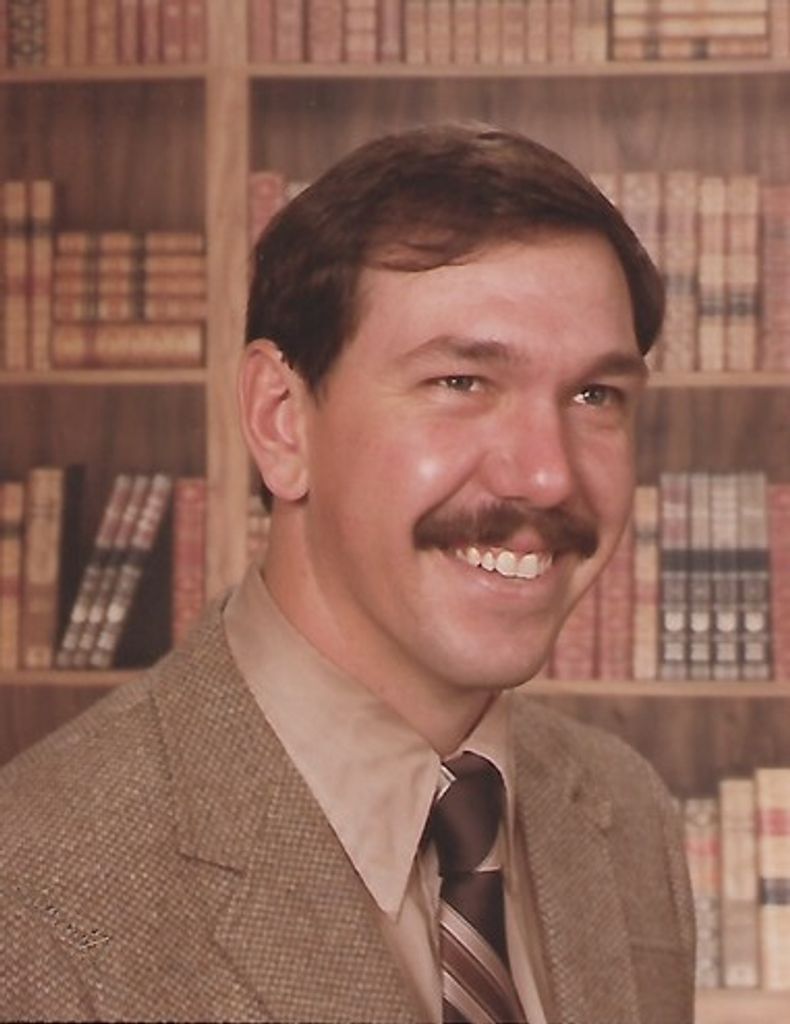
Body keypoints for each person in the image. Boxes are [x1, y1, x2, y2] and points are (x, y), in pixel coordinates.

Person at [0, 123, 694, 1024]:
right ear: (282, 421)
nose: (547, 475)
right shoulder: (37, 891)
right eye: (461, 382)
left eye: (595, 396)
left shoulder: (628, 819)